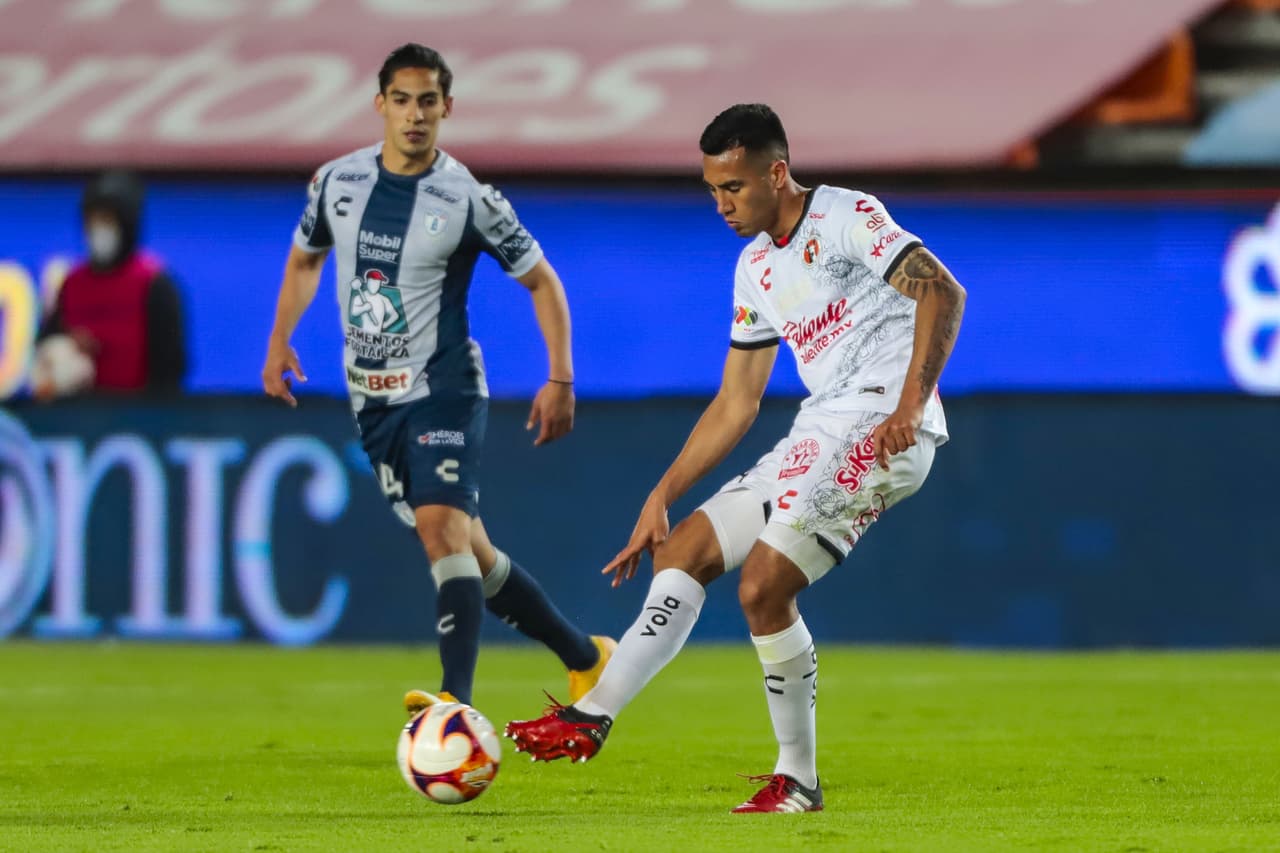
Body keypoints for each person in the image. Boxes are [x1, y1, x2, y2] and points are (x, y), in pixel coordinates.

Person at [505, 104, 967, 813]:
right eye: (713, 190)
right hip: (821, 428)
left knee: (761, 587)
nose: (722, 204)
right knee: (684, 548)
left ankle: (798, 778)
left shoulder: (847, 216)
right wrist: (662, 493)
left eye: (735, 188)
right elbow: (736, 402)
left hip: (884, 427)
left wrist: (911, 401)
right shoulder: (754, 269)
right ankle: (592, 714)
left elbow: (943, 289)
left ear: (777, 173)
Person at [261, 43, 614, 711]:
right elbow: (306, 259)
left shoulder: (467, 199)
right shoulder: (337, 183)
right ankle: (587, 656)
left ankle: (454, 704)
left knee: (440, 526)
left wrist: (560, 377)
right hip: (374, 401)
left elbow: (542, 280)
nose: (415, 115)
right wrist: (280, 338)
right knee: (471, 550)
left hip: (444, 387)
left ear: (447, 108)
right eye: (402, 100)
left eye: (429, 102)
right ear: (380, 105)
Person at [33, 170, 186, 399]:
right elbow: (45, 345)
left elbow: (170, 367)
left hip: (136, 420)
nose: (98, 230)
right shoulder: (73, 284)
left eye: (107, 220)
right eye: (92, 221)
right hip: (80, 416)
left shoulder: (154, 284)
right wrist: (68, 350)